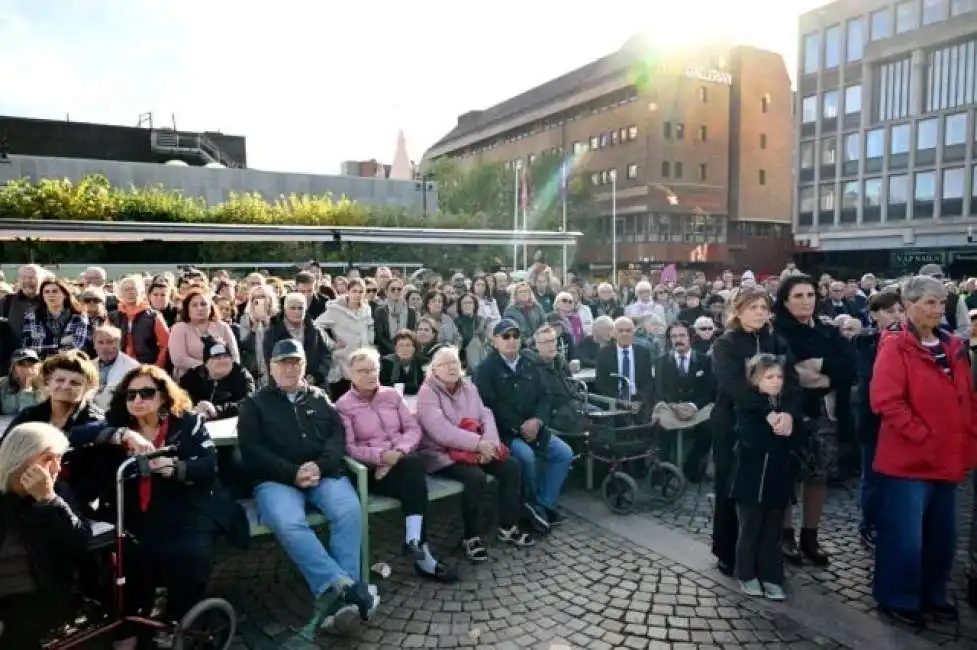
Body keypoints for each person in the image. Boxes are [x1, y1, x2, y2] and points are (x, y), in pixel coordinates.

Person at [237, 339, 378, 636]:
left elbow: (336, 437)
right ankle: (342, 588)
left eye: (296, 362)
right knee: (288, 521)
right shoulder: (254, 403)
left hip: (321, 474)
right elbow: (251, 450)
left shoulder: (319, 397)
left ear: (304, 365)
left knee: (350, 510)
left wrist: (320, 466)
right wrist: (292, 472)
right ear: (270, 367)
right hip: (277, 479)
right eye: (283, 363)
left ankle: (342, 604)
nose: (290, 368)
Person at [870, 275, 977, 628]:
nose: (937, 308)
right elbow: (886, 401)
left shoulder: (952, 345)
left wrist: (967, 439)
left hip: (947, 457)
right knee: (905, 536)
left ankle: (933, 594)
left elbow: (966, 400)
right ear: (910, 305)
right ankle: (898, 597)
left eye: (941, 301)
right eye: (929, 302)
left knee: (942, 537)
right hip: (909, 460)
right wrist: (922, 435)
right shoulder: (896, 344)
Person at [336, 348, 455, 582]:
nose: (371, 375)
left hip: (400, 465)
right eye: (363, 371)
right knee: (414, 472)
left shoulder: (391, 396)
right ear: (351, 374)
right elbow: (349, 448)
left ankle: (415, 542)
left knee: (412, 468)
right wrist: (381, 457)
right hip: (372, 473)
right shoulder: (343, 406)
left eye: (374, 369)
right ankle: (419, 551)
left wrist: (396, 453)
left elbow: (413, 429)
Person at [416, 346, 534, 562]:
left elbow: (485, 414)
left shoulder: (469, 386)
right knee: (475, 477)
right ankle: (471, 536)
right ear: (434, 369)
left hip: (477, 448)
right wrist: (478, 445)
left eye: (454, 362)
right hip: (443, 454)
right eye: (444, 364)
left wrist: (489, 443)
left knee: (511, 467)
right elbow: (440, 431)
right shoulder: (427, 392)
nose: (451, 367)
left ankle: (508, 525)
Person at [0, 422, 101, 649]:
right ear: (20, 459)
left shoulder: (58, 493)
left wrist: (49, 501)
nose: (56, 468)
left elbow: (80, 542)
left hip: (40, 598)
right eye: (48, 459)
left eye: (59, 459)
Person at [474, 319, 572, 533]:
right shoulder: (485, 369)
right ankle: (527, 507)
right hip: (505, 432)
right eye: (505, 336)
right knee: (525, 457)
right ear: (494, 341)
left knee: (564, 453)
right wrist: (519, 427)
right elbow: (489, 406)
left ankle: (541, 507)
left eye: (515, 335)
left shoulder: (530, 363)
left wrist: (537, 420)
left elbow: (545, 397)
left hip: (535, 427)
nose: (511, 341)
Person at [729, 354, 798, 601]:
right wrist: (771, 425)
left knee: (773, 531)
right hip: (751, 480)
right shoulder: (749, 406)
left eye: (779, 377)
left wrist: (787, 423)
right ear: (756, 379)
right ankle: (746, 573)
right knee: (750, 528)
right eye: (769, 377)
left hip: (777, 479)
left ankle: (771, 576)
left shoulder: (786, 404)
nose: (776, 381)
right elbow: (748, 437)